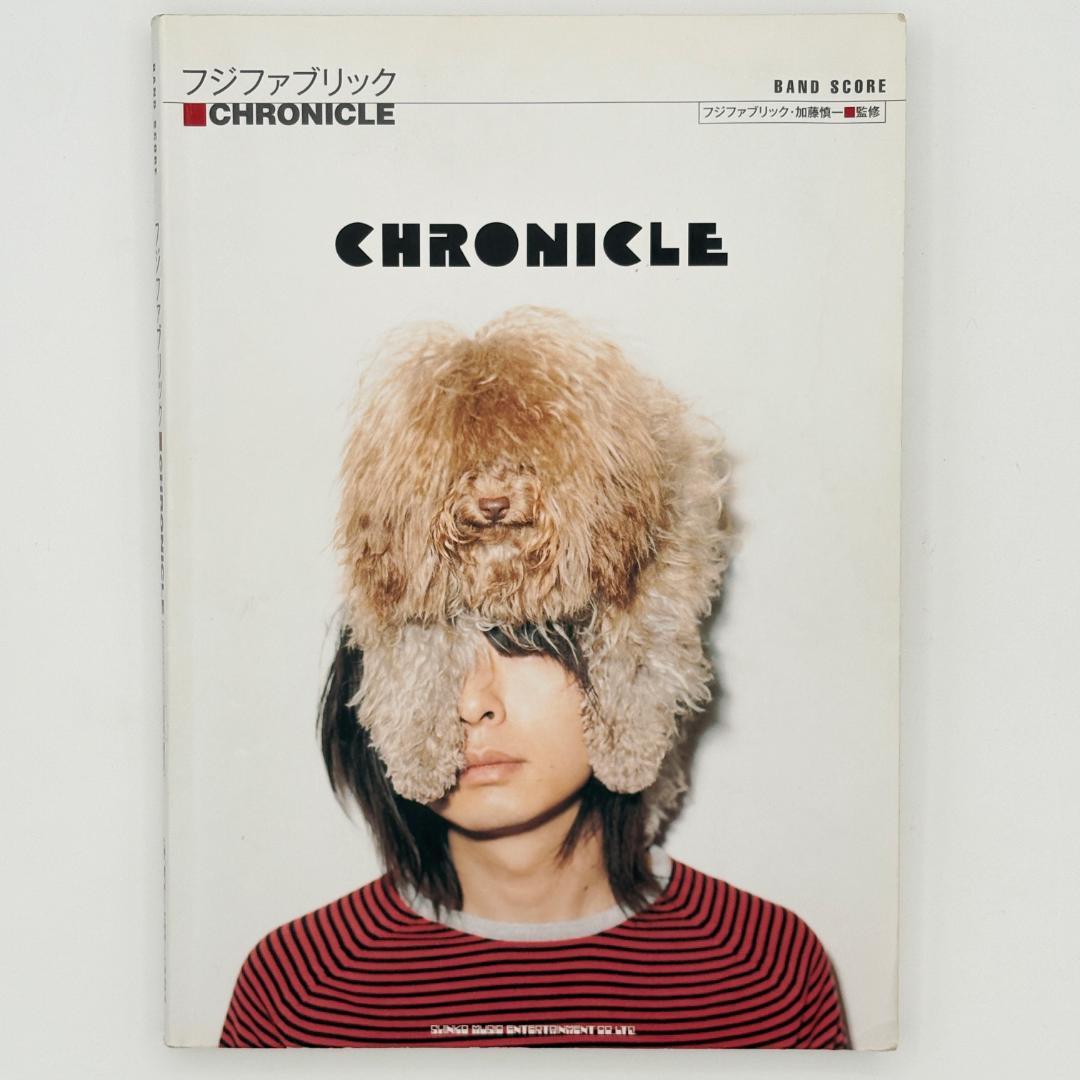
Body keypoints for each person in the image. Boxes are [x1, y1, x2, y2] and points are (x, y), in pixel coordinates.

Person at [219, 622, 849, 1049]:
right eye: (428, 650)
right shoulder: (297, 987)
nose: (473, 704)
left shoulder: (768, 966)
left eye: (523, 637)